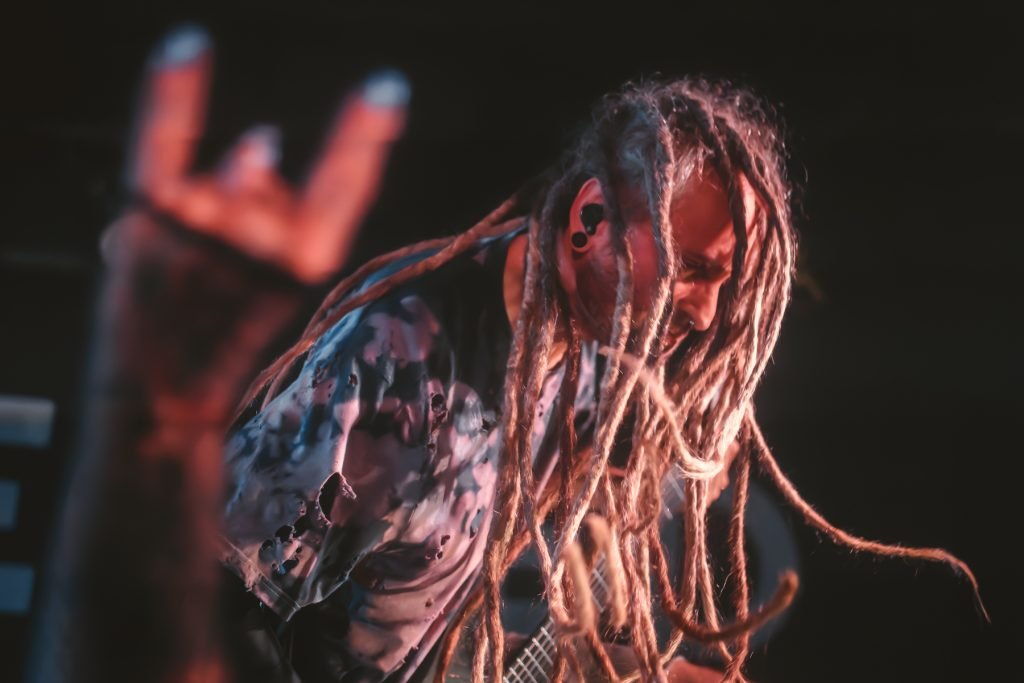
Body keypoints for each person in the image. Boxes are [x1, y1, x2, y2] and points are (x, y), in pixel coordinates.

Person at [33, 26, 986, 683]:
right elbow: (194, 606)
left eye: (729, 284)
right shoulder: (394, 363)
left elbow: (466, 630)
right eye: (696, 271)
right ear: (589, 222)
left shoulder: (594, 371)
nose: (710, 313)